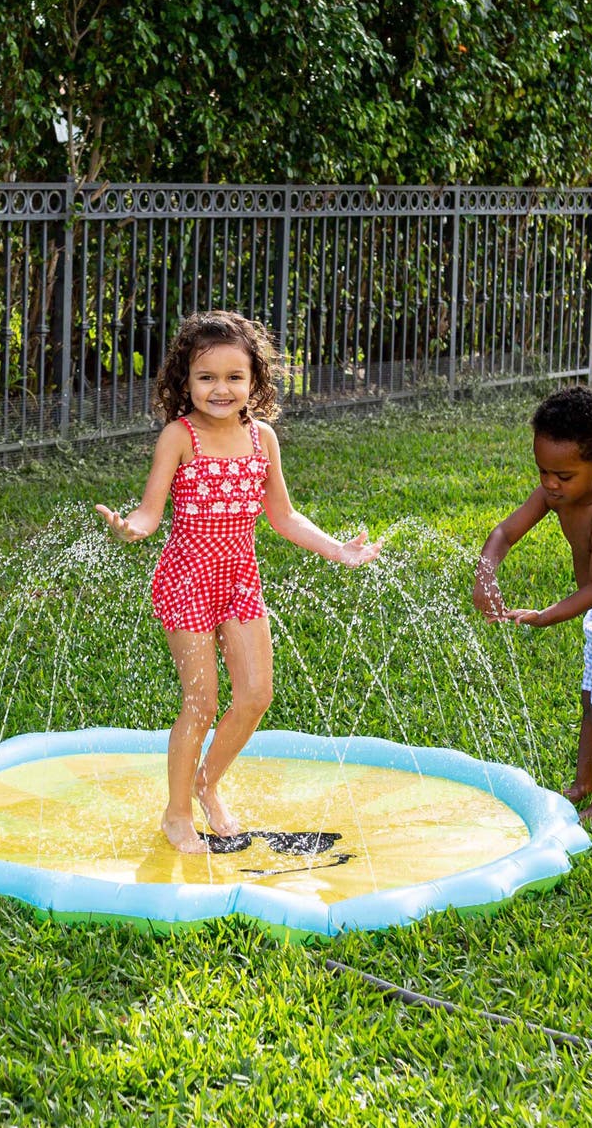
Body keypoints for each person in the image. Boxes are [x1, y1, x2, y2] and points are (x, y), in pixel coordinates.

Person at [96, 310, 382, 853]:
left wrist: (336, 548)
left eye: (234, 377)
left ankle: (207, 782)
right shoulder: (179, 438)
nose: (220, 389)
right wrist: (129, 529)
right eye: (206, 377)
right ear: (184, 382)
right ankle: (177, 812)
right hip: (186, 582)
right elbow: (151, 513)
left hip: (239, 580)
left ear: (256, 382)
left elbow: (284, 516)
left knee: (254, 695)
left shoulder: (262, 439)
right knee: (201, 702)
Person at [473, 385, 592, 821]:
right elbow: (503, 534)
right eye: (542, 471)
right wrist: (485, 577)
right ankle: (582, 783)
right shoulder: (556, 493)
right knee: (590, 702)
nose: (550, 484)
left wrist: (546, 615)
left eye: (563, 476)